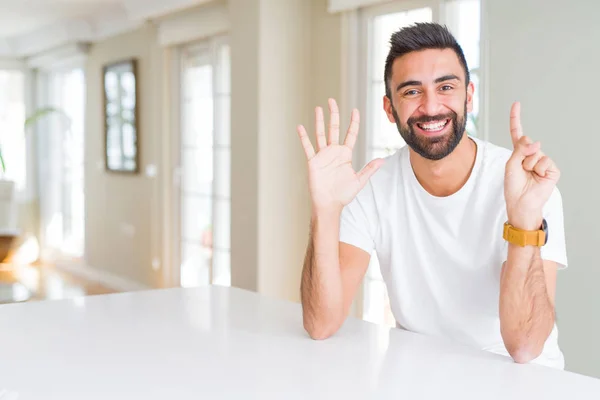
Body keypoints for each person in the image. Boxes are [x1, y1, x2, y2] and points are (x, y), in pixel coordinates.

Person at [296, 22, 567, 369]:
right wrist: (325, 211)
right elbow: (320, 324)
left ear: (468, 95)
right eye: (411, 92)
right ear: (390, 108)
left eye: (446, 87)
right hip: (423, 376)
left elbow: (525, 347)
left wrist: (524, 218)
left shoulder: (528, 185)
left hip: (522, 383)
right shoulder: (371, 187)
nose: (431, 106)